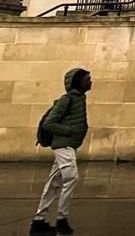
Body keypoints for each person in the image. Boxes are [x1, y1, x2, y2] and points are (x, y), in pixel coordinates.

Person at [30, 68, 91, 235]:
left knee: (53, 183)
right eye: (87, 79)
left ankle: (38, 221)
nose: (90, 82)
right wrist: (70, 131)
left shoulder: (79, 99)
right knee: (71, 178)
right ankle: (62, 219)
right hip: (63, 146)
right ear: (78, 82)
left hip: (69, 145)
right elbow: (48, 123)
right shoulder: (67, 100)